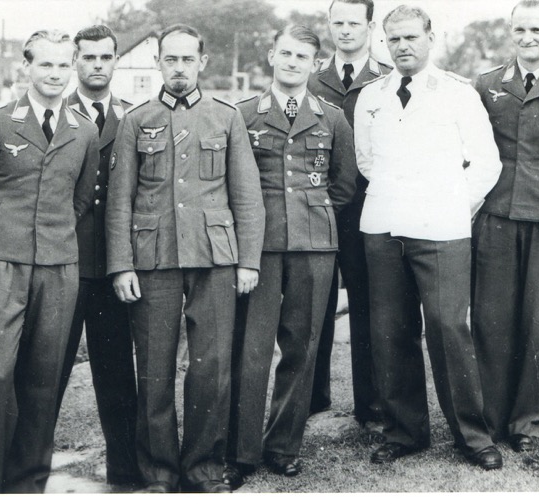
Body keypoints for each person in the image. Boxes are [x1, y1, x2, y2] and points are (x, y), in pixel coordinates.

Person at [106, 23, 265, 493]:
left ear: (202, 62)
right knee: (154, 370)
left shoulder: (226, 117)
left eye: (187, 59)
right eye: (170, 59)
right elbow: (119, 200)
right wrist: (121, 264)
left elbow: (247, 196)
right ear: (158, 62)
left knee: (211, 369)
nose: (179, 68)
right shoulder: (136, 120)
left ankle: (204, 469)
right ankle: (159, 473)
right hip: (153, 258)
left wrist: (248, 261)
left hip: (215, 257)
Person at [354, 5, 504, 469]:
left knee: (447, 329)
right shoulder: (371, 95)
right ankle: (405, 432)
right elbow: (366, 160)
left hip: (441, 229)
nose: (402, 46)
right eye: (394, 39)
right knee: (390, 330)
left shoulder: (458, 93)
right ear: (384, 42)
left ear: (430, 38)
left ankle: (472, 436)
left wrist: (452, 205)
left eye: (410, 37)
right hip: (383, 227)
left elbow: (486, 163)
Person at [0, 28, 99, 493]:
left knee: (43, 378)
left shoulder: (85, 130)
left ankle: (28, 484)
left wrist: (51, 239)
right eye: (45, 64)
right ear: (27, 67)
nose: (55, 73)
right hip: (1, 264)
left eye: (63, 64)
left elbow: (80, 199)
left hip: (58, 266)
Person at [223, 25, 358, 489]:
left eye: (302, 56)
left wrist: (310, 218)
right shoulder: (243, 114)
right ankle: (240, 452)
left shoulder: (332, 118)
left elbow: (343, 184)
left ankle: (283, 446)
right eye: (285, 53)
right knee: (251, 349)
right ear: (270, 56)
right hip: (258, 247)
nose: (293, 62)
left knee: (303, 348)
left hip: (314, 246)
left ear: (315, 64)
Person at [471, 0, 539, 463]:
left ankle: (534, 425)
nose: (528, 37)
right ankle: (490, 419)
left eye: (537, 29)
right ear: (510, 31)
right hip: (497, 213)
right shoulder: (486, 84)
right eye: (520, 29)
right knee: (491, 319)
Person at [56, 24, 141, 486]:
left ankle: (125, 472)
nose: (96, 65)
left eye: (105, 57)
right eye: (88, 57)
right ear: (75, 60)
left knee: (117, 373)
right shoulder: (56, 114)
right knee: (48, 371)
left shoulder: (131, 117)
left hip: (113, 266)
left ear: (116, 61)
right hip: (65, 263)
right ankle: (26, 471)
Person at [306, 0, 391, 424]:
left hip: (367, 207)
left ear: (370, 27)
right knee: (313, 304)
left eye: (354, 23)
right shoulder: (310, 78)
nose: (345, 30)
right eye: (337, 22)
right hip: (318, 207)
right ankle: (311, 398)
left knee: (367, 302)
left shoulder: (387, 79)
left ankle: (370, 403)